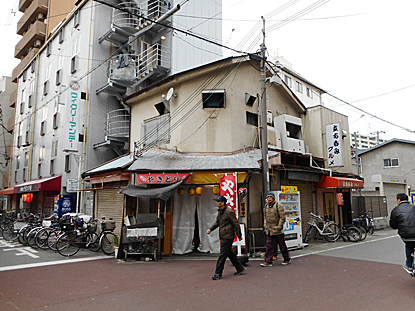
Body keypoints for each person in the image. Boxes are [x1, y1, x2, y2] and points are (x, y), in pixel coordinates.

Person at [207, 195, 246, 280]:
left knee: (222, 255)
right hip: (224, 234)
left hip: (228, 235)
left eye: (218, 202)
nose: (217, 203)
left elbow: (236, 223)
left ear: (222, 203)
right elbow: (218, 222)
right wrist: (210, 229)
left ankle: (218, 273)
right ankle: (240, 268)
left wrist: (239, 235)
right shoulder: (220, 211)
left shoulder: (229, 212)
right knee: (229, 253)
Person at [261, 192, 291, 267]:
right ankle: (268, 261)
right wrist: (265, 226)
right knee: (268, 245)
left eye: (271, 197)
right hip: (269, 230)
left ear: (274, 198)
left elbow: (282, 217)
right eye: (268, 197)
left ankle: (286, 258)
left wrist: (279, 227)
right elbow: (265, 217)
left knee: (282, 245)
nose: (269, 198)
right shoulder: (266, 206)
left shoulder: (278, 205)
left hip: (277, 230)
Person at [390, 193, 415, 274]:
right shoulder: (414, 207)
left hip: (406, 235)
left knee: (408, 245)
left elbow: (393, 225)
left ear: (399, 200)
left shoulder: (395, 210)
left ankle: (409, 265)